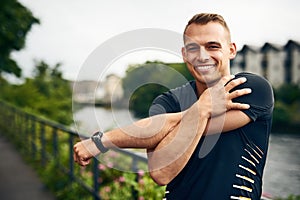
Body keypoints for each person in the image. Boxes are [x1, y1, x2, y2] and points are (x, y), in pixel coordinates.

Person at [73, 13, 274, 200]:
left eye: (213, 46)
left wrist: (103, 141)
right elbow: (161, 172)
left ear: (231, 50)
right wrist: (203, 107)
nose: (202, 56)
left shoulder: (250, 89)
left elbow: (189, 127)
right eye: (194, 48)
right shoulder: (168, 101)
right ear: (185, 54)